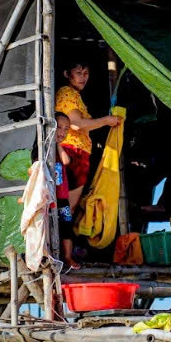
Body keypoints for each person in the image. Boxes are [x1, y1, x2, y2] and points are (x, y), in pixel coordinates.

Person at [55, 55, 121, 224]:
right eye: (78, 73)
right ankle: (61, 236)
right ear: (66, 74)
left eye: (86, 73)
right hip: (72, 151)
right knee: (66, 207)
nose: (83, 77)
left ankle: (63, 235)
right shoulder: (67, 93)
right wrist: (106, 120)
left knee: (68, 207)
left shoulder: (75, 96)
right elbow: (76, 124)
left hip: (79, 153)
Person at [52, 111, 79, 270]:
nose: (62, 132)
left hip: (62, 197)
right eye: (59, 127)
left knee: (67, 225)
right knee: (49, 225)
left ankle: (68, 257)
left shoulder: (61, 150)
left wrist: (57, 144)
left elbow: (66, 161)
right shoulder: (42, 148)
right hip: (49, 197)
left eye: (66, 129)